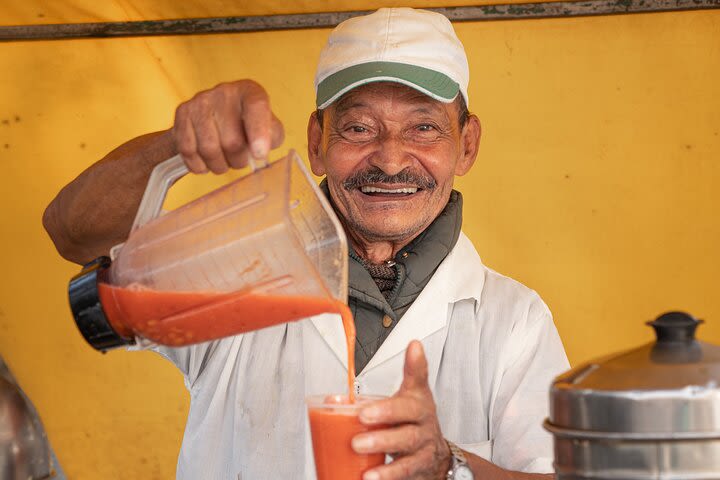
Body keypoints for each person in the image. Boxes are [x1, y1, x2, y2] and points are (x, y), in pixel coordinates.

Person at [43, 8, 569, 480]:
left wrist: (450, 466)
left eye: (424, 128)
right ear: (317, 143)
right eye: (359, 128)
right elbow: (70, 233)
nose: (390, 160)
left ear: (467, 144)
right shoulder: (234, 270)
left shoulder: (513, 321)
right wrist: (173, 146)